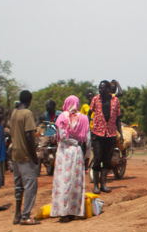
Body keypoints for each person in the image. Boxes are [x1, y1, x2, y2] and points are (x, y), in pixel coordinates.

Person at [50, 95, 89, 223]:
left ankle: (63, 212)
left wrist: (71, 141)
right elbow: (86, 140)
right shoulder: (83, 118)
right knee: (75, 181)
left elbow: (62, 136)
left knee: (63, 181)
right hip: (77, 152)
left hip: (64, 152)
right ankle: (74, 211)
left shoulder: (62, 117)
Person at [10, 90, 40, 224]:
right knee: (30, 186)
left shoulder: (14, 113)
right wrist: (34, 156)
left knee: (18, 186)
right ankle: (25, 216)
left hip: (15, 154)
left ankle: (17, 214)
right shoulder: (27, 114)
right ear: (30, 100)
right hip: (26, 155)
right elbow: (29, 136)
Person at [89, 80, 121, 194]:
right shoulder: (95, 99)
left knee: (107, 160)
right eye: (99, 88)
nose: (100, 90)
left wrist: (120, 133)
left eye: (102, 88)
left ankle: (103, 184)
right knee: (97, 159)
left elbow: (118, 118)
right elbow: (89, 114)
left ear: (108, 89)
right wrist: (90, 127)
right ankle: (96, 186)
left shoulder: (115, 100)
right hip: (98, 133)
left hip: (111, 133)